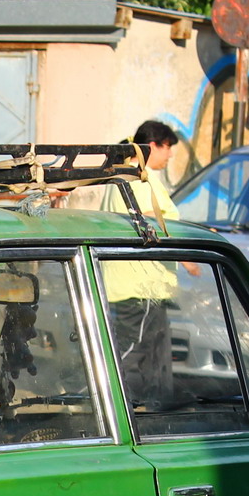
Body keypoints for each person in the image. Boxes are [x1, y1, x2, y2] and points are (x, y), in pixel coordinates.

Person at [65, 120, 186, 411]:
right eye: (168, 148)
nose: (169, 156)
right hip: (138, 285)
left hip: (146, 286)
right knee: (132, 350)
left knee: (154, 357)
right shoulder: (138, 177)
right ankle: (88, 398)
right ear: (153, 145)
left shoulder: (128, 174)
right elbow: (146, 219)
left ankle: (156, 410)